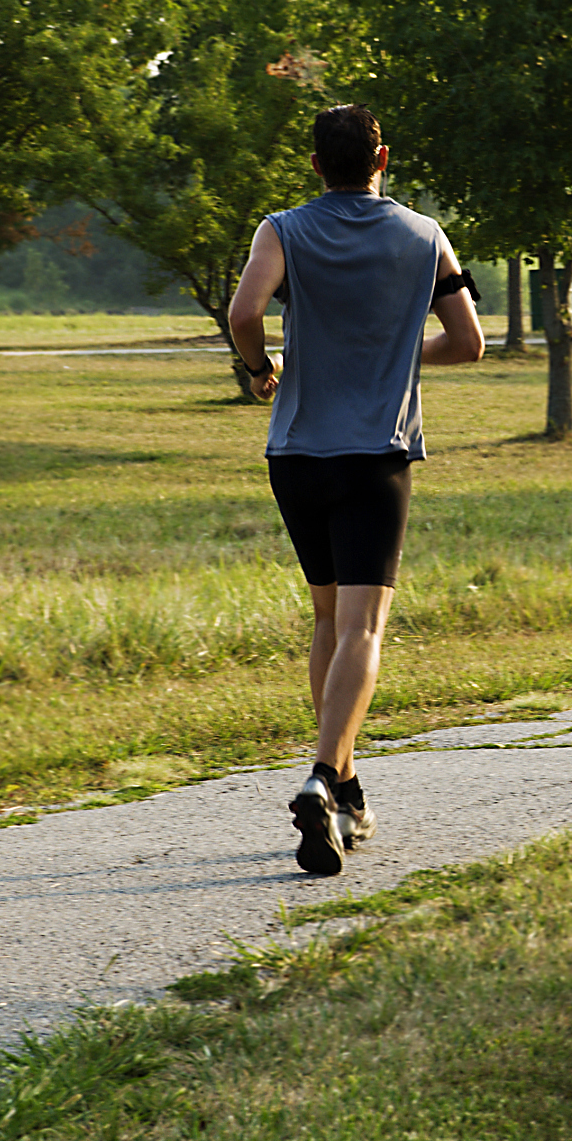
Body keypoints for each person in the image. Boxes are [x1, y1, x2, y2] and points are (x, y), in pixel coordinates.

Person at [226, 104, 484, 876]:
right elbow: (469, 342)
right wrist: (394, 352)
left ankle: (344, 788)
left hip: (296, 454)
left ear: (315, 164)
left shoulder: (281, 230)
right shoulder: (425, 234)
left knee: (328, 618)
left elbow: (244, 313)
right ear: (382, 156)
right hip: (376, 454)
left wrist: (260, 368)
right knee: (363, 628)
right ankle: (321, 775)